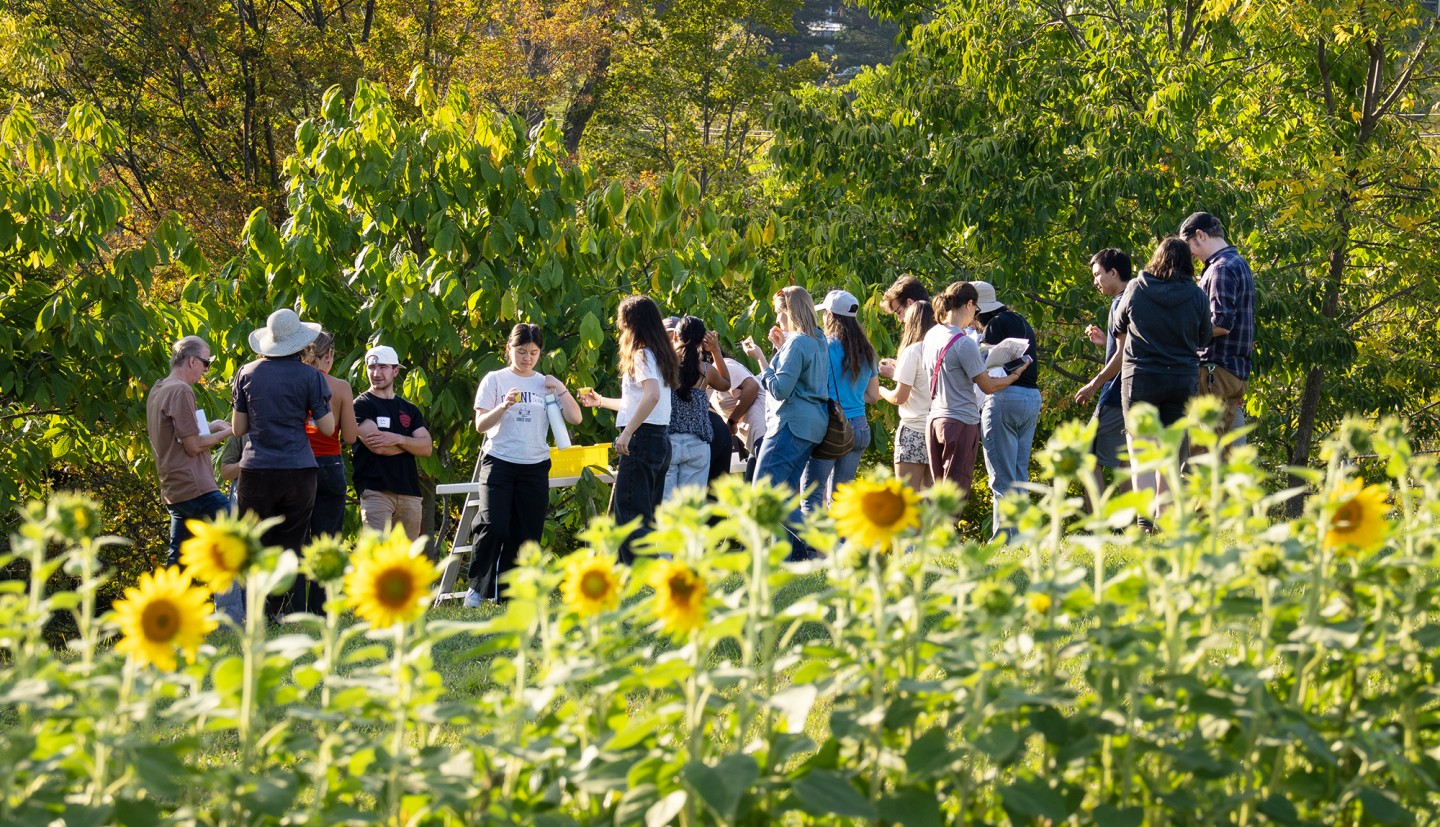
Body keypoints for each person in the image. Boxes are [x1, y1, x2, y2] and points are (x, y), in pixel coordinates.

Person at [465, 324, 582, 606]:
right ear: (509, 349)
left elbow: (576, 418)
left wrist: (562, 388)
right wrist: (503, 405)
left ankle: (508, 594)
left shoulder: (546, 383)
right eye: (521, 352)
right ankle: (477, 588)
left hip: (535, 465)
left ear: (540, 353)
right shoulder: (495, 379)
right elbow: (481, 425)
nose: (527, 358)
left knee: (526, 532)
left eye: (533, 352)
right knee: (494, 524)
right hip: (499, 462)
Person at [232, 309, 333, 616]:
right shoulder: (312, 377)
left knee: (254, 543)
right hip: (298, 470)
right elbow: (327, 428)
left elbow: (238, 429)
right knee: (290, 543)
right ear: (301, 342)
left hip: (256, 468)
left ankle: (254, 610)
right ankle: (277, 609)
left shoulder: (246, 372)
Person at [1107, 237, 1213, 526]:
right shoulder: (1196, 295)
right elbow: (1205, 337)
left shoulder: (1136, 288)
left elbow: (1118, 325)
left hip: (1140, 378)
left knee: (1140, 451)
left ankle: (1143, 521)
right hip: (1180, 379)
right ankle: (1163, 520)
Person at [579, 296, 678, 563]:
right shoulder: (659, 354)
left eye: (622, 322)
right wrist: (600, 401)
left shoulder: (642, 353)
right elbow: (640, 401)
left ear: (630, 323)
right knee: (643, 513)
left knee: (630, 514)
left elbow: (652, 396)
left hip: (643, 440)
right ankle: (633, 576)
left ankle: (639, 577)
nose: (619, 326)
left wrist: (627, 433)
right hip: (658, 439)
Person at [740, 286, 829, 560]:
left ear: (790, 311)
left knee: (764, 493)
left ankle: (821, 541)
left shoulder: (799, 342)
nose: (777, 319)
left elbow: (779, 389)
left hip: (789, 425)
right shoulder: (818, 339)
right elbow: (798, 377)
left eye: (780, 313)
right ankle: (795, 559)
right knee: (786, 493)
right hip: (812, 425)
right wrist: (777, 350)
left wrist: (760, 360)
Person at [923, 283, 1029, 504]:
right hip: (960, 421)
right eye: (976, 310)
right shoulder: (962, 342)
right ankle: (946, 537)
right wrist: (1014, 376)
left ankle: (936, 536)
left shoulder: (932, 334)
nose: (975, 316)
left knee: (938, 494)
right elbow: (987, 386)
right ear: (970, 304)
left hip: (934, 419)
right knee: (954, 496)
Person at [146, 335, 234, 567]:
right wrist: (230, 432)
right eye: (206, 363)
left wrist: (212, 426)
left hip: (174, 489)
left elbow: (176, 435)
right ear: (192, 361)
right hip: (196, 487)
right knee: (240, 534)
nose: (206, 370)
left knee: (178, 562)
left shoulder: (159, 388)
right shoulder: (182, 390)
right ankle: (250, 602)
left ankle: (168, 602)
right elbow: (193, 446)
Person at [969, 281, 1042, 540]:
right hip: (1031, 397)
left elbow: (986, 367)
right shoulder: (1020, 320)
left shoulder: (994, 325)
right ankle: (1023, 537)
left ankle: (1004, 539)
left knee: (1001, 477)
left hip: (1004, 397)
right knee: (1019, 474)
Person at [801, 289, 879, 515]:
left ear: (830, 315)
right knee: (842, 500)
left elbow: (814, 388)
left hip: (831, 428)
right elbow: (873, 396)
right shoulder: (867, 351)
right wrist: (851, 397)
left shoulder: (824, 347)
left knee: (813, 496)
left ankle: (811, 550)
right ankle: (842, 548)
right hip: (860, 428)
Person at [1180, 211, 1255, 442]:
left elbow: (1221, 323)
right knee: (1231, 452)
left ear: (1200, 235)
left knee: (1205, 452)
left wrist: (1182, 334)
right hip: (1235, 371)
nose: (1190, 255)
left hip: (1216, 371)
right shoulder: (1238, 262)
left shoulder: (1220, 268)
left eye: (1189, 247)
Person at [352, 344, 433, 541]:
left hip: (410, 494)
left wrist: (396, 438)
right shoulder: (362, 404)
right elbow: (378, 446)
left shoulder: (410, 409)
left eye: (382, 367)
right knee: (376, 558)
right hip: (376, 492)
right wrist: (411, 445)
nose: (376, 373)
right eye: (371, 367)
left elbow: (427, 448)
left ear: (395, 371)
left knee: (407, 562)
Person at [1074, 249, 1134, 505]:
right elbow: (1128, 350)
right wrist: (1104, 343)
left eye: (1098, 274)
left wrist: (1092, 385)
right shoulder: (1134, 298)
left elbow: (1122, 355)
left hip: (1115, 393)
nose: (1095, 281)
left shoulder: (1121, 302)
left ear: (1113, 272)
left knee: (1086, 457)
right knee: (1126, 459)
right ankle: (1133, 523)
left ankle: (1097, 525)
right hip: (1133, 390)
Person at [300, 331, 359, 545]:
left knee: (297, 540)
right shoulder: (340, 386)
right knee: (327, 544)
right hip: (329, 464)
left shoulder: (296, 383)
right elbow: (351, 436)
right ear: (329, 354)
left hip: (298, 463)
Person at [663, 317, 731, 499]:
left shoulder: (664, 366)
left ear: (675, 336)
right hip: (697, 444)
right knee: (691, 513)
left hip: (669, 442)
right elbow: (726, 384)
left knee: (667, 511)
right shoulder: (706, 370)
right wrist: (716, 350)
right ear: (703, 341)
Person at [878, 301, 936, 490]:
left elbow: (899, 398)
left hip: (914, 430)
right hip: (936, 431)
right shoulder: (940, 350)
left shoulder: (913, 351)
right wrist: (898, 367)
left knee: (907, 499)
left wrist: (879, 390)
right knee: (930, 501)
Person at [708, 346, 767, 482]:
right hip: (754, 439)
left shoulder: (725, 366)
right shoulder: (712, 377)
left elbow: (752, 387)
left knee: (765, 492)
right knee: (752, 493)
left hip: (762, 433)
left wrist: (732, 421)